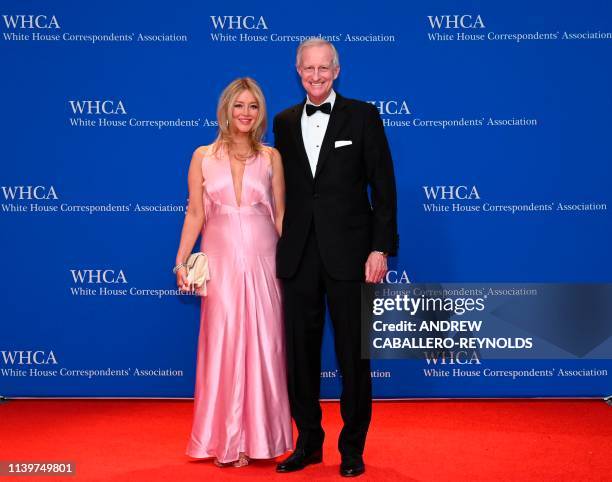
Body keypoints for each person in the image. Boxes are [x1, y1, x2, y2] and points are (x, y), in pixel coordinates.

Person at [273, 38, 399, 477]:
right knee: (300, 358)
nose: (316, 75)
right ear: (297, 71)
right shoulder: (284, 121)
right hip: (299, 256)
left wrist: (380, 247)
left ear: (337, 70)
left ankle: (352, 448)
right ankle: (308, 442)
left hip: (351, 256)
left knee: (352, 358)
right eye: (309, 69)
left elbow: (383, 188)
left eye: (324, 68)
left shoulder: (363, 115)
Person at [175, 77, 293, 468]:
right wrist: (181, 261)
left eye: (254, 106)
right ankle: (225, 439)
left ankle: (260, 439)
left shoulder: (272, 157)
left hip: (265, 262)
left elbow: (280, 217)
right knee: (222, 346)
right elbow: (195, 213)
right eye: (239, 105)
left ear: (261, 113)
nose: (246, 113)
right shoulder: (202, 156)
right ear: (226, 109)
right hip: (221, 263)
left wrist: (296, 266)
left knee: (265, 346)